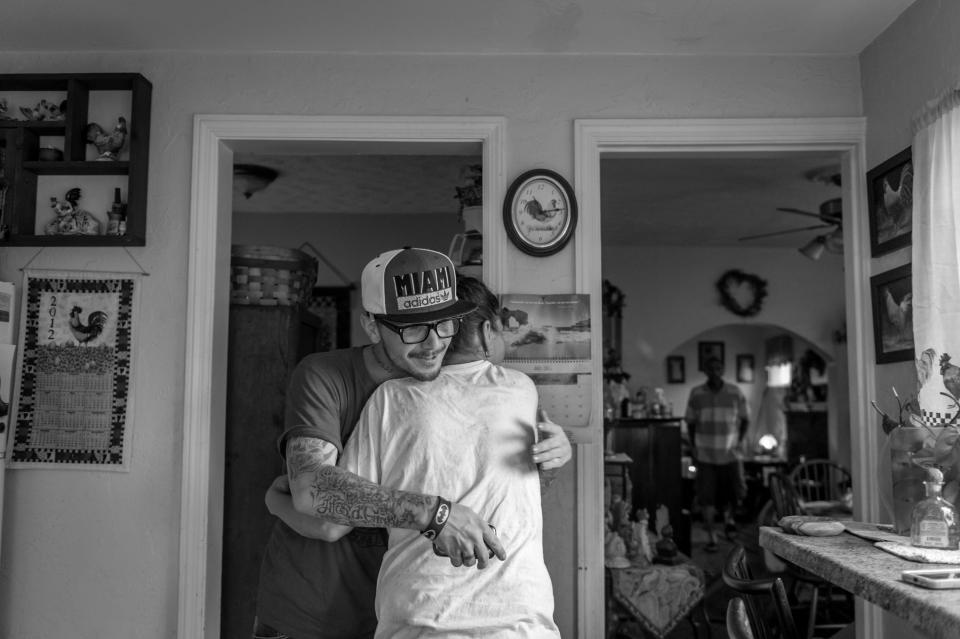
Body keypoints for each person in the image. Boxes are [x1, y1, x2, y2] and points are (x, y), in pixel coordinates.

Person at [254, 247, 571, 639]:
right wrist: (436, 514)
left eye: (444, 324)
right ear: (371, 326)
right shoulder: (328, 376)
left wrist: (550, 463)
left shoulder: (477, 391)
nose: (434, 343)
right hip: (312, 611)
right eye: (413, 329)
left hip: (400, 615)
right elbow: (313, 491)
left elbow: (503, 499)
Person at [324, 275, 560, 637]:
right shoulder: (520, 388)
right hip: (518, 614)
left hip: (421, 612)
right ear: (486, 332)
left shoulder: (390, 398)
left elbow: (337, 512)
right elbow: (529, 489)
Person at [684, 356, 749, 552]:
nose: (714, 371)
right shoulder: (696, 393)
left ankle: (729, 523)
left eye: (718, 367)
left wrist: (739, 442)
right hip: (705, 455)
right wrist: (694, 446)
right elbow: (690, 422)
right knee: (706, 497)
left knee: (735, 492)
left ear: (722, 370)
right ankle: (712, 536)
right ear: (705, 370)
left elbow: (745, 419)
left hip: (730, 454)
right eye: (710, 368)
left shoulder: (735, 392)